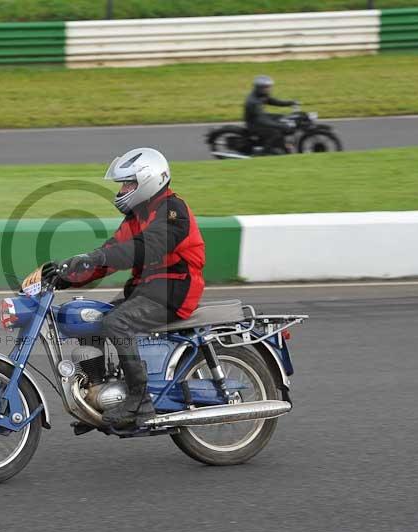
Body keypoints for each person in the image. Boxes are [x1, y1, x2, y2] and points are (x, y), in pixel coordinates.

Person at [52, 147, 206, 429]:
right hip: (147, 289)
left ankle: (139, 399)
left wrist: (98, 257)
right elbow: (111, 253)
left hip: (175, 290)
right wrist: (67, 275)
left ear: (149, 180)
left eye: (128, 183)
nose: (123, 189)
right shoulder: (137, 216)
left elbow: (145, 248)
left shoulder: (173, 211)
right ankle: (95, 396)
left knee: (116, 323)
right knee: (90, 317)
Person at [244, 75, 298, 155]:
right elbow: (261, 120)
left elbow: (272, 101)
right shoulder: (253, 102)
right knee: (275, 133)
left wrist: (289, 103)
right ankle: (264, 153)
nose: (269, 89)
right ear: (260, 88)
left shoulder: (261, 95)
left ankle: (282, 144)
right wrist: (280, 126)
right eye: (266, 87)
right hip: (254, 123)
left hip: (260, 117)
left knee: (283, 118)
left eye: (269, 87)